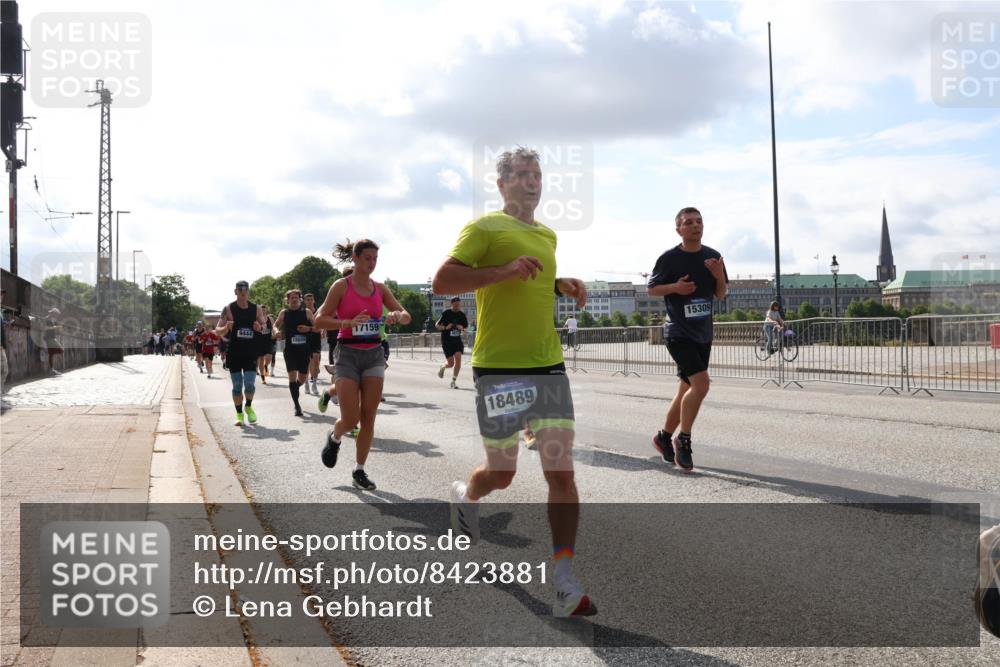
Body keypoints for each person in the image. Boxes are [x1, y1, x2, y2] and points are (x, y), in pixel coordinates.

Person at [433, 146, 596, 618]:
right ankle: (467, 497)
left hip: (547, 364)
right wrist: (502, 271)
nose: (533, 181)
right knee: (501, 474)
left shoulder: (547, 233)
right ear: (502, 185)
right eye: (523, 174)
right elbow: (443, 279)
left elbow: (533, 283)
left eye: (538, 174)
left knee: (561, 472)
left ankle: (564, 582)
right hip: (499, 368)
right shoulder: (484, 228)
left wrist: (561, 283)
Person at [314, 239, 411, 492]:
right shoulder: (341, 286)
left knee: (368, 418)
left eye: (375, 259)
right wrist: (347, 323)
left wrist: (396, 316)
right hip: (347, 355)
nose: (372, 263)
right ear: (355, 259)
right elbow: (318, 320)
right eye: (367, 258)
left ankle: (359, 470)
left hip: (374, 355)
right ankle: (334, 438)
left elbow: (405, 315)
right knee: (350, 419)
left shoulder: (380, 288)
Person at [647, 206, 727, 472]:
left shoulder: (713, 256)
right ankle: (683, 439)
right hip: (678, 333)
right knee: (701, 385)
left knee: (686, 389)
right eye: (689, 222)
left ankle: (662, 436)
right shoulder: (669, 259)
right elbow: (652, 289)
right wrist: (676, 288)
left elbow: (721, 294)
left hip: (703, 334)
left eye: (699, 221)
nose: (695, 225)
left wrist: (718, 277)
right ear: (679, 229)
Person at [217, 280, 266, 426]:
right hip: (234, 352)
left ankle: (248, 407)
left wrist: (259, 327)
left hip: (251, 351)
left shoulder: (256, 308)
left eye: (245, 290)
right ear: (235, 291)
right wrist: (226, 327)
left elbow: (264, 326)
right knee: (237, 386)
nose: (243, 292)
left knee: (250, 384)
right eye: (240, 290)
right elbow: (217, 330)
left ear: (248, 291)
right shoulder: (228, 309)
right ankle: (239, 414)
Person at [272, 289, 314, 416]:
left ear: (300, 299)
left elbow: (318, 327)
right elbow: (275, 324)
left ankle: (295, 388)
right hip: (290, 350)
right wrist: (276, 331)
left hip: (304, 350)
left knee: (302, 377)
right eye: (292, 298)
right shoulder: (284, 313)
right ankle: (297, 406)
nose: (294, 299)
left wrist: (308, 328)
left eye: (296, 297)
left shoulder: (306, 312)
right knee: (292, 376)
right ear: (288, 300)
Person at [436, 297, 468, 389]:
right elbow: (436, 325)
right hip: (446, 341)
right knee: (451, 364)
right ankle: (442, 367)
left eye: (459, 304)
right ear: (452, 304)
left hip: (457, 341)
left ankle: (453, 381)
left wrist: (461, 328)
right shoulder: (446, 313)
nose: (458, 306)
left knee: (458, 357)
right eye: (456, 304)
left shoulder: (462, 315)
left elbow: (466, 329)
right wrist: (446, 328)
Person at [304, 293, 324, 395]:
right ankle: (306, 383)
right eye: (307, 299)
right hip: (305, 340)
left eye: (311, 299)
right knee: (307, 362)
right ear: (304, 301)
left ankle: (314, 384)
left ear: (314, 300)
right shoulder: (302, 313)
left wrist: (323, 331)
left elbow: (322, 324)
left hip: (316, 339)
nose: (309, 301)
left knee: (316, 361)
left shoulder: (318, 312)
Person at [256, 307, 275, 384]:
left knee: (269, 358)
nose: (263, 311)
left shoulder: (270, 319)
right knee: (261, 359)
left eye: (264, 309)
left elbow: (273, 327)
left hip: (268, 341)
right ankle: (263, 378)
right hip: (259, 341)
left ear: (266, 310)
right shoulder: (257, 319)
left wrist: (275, 333)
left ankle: (266, 366)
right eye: (262, 310)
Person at [43, 308, 64, 374]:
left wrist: (58, 328)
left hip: (51, 338)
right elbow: (45, 328)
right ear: (53, 313)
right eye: (56, 314)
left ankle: (51, 370)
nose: (56, 316)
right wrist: (56, 327)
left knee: (51, 354)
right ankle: (51, 370)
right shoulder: (47, 319)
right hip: (50, 339)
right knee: (61, 350)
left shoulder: (51, 320)